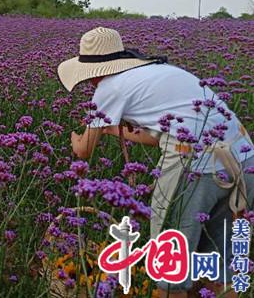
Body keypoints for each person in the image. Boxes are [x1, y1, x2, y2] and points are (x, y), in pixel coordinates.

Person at [57, 27, 253, 298]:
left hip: (195, 167)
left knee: (169, 268)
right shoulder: (157, 73)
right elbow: (163, 134)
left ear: (92, 72)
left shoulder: (108, 88)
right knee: (216, 266)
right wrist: (112, 128)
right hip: (243, 160)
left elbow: (83, 152)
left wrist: (75, 135)